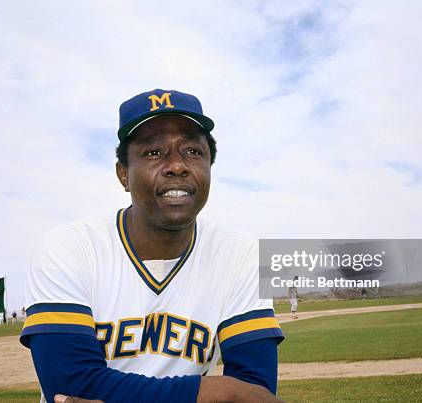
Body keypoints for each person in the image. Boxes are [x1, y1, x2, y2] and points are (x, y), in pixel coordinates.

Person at [21, 89, 284, 403]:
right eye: (153, 152)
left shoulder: (241, 254)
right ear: (124, 176)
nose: (177, 165)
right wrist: (221, 392)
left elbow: (256, 390)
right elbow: (71, 385)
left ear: (209, 167)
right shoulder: (69, 247)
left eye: (193, 151)